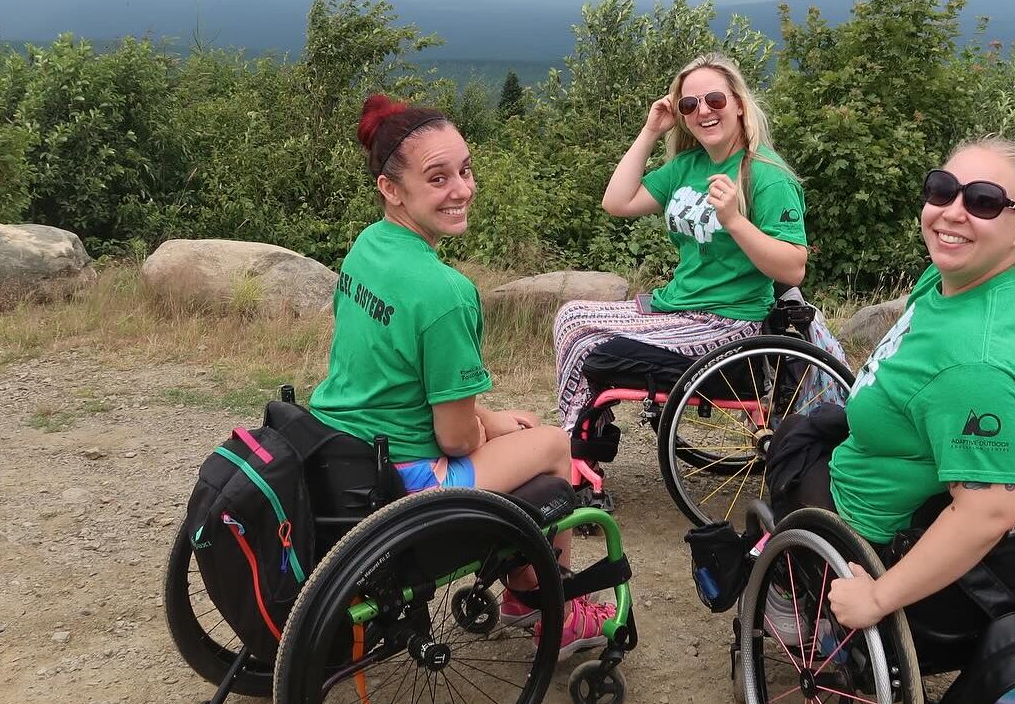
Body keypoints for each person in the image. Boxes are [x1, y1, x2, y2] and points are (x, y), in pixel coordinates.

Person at [308, 94, 614, 658]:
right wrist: (493, 430)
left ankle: (525, 587)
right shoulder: (446, 293)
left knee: (515, 431)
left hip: (343, 445)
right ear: (391, 189)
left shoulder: (367, 247)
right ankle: (548, 607)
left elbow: (407, 382)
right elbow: (453, 439)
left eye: (465, 170)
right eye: (438, 177)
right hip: (406, 477)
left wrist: (492, 419)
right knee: (552, 444)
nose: (462, 189)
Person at [764, 137, 1015, 633]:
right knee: (807, 427)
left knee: (788, 450)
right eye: (943, 189)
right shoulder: (970, 280)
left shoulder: (976, 364)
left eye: (984, 201)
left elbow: (989, 511)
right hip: (898, 452)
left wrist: (876, 598)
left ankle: (792, 598)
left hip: (868, 524)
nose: (952, 212)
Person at [552, 52, 847, 434]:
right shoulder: (688, 166)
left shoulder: (766, 176)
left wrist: (734, 220)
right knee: (571, 316)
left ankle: (577, 445)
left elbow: (793, 268)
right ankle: (584, 436)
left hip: (729, 323)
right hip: (678, 308)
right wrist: (650, 131)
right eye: (689, 104)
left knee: (585, 340)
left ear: (739, 104)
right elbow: (617, 202)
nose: (703, 110)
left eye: (716, 100)